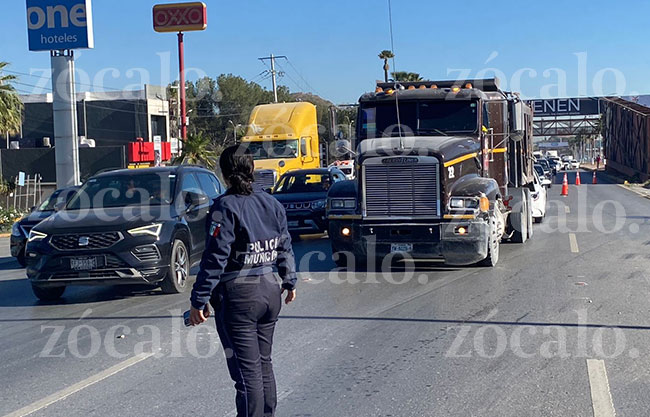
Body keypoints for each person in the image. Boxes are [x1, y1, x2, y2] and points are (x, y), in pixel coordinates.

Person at [189, 145, 297, 417]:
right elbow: (284, 245)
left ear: (224, 173)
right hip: (270, 290)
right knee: (263, 365)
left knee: (247, 375)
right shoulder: (272, 203)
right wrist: (289, 280)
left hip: (239, 297)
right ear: (252, 169)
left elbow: (215, 257)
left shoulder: (224, 207)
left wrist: (199, 299)